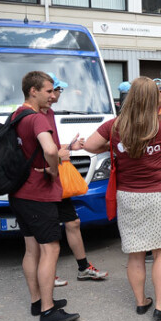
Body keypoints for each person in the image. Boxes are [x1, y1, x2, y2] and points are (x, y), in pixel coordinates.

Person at [84, 77, 161, 321]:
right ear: (156, 97)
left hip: (129, 196)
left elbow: (90, 146)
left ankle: (141, 302)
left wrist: (114, 146)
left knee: (135, 254)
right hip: (159, 194)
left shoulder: (115, 126)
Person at [9, 71, 80, 321]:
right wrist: (52, 168)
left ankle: (37, 301)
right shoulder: (37, 119)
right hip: (39, 194)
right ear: (33, 91)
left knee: (31, 249)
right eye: (49, 91)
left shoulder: (17, 114)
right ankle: (49, 311)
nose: (53, 95)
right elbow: (50, 149)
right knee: (50, 249)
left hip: (20, 192)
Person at [46, 73, 108, 286]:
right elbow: (35, 151)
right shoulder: (35, 115)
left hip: (55, 180)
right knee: (49, 231)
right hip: (44, 182)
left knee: (73, 222)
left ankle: (83, 268)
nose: (58, 94)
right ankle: (47, 275)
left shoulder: (48, 113)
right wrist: (58, 153)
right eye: (57, 90)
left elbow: (48, 146)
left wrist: (67, 147)